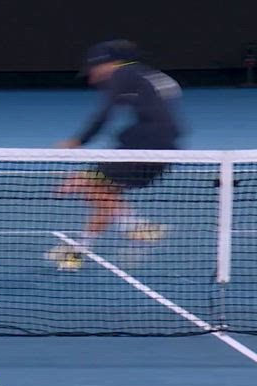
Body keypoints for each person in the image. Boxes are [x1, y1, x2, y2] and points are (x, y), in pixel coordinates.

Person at [49, 39, 183, 270]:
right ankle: (79, 250)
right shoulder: (144, 75)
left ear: (106, 63)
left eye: (93, 70)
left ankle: (133, 225)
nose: (92, 78)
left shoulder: (122, 73)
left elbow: (104, 114)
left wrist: (78, 141)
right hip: (164, 148)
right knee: (105, 196)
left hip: (146, 146)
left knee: (88, 184)